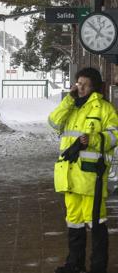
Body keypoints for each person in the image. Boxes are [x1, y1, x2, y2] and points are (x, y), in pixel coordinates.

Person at [48, 67, 118, 273]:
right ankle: (74, 264)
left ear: (94, 86)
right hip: (69, 176)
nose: (81, 87)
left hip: (91, 178)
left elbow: (115, 135)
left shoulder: (104, 108)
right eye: (79, 83)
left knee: (96, 223)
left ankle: (98, 267)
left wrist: (94, 140)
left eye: (85, 84)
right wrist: (68, 100)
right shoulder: (71, 107)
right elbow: (53, 123)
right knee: (74, 222)